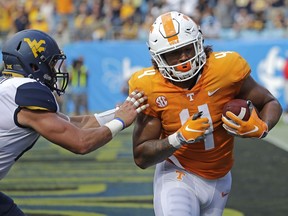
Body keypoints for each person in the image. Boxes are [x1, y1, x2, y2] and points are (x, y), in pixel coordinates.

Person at [129, 11, 282, 216]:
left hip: (220, 177)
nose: (183, 58)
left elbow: (270, 102)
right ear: (158, 58)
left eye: (187, 48)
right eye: (173, 53)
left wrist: (263, 127)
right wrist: (178, 138)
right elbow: (141, 156)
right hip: (178, 174)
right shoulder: (149, 86)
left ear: (199, 42)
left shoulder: (226, 69)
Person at [0, 29, 148, 215]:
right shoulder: (26, 92)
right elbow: (81, 142)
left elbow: (76, 123)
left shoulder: (12, 89)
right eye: (52, 63)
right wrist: (120, 121)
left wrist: (120, 112)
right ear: (35, 65)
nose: (56, 70)